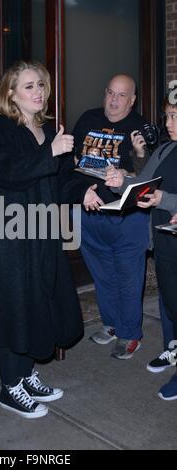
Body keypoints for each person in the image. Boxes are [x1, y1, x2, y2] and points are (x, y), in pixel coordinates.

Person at [0, 61, 87, 419]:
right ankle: (10, 386)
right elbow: (7, 173)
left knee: (36, 301)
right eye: (30, 86)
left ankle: (25, 374)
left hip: (39, 232)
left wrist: (88, 190)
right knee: (12, 305)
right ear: (10, 94)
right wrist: (50, 153)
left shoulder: (47, 131)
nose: (38, 92)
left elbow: (62, 180)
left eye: (41, 86)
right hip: (4, 235)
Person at [72, 74, 150, 360]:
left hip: (126, 217)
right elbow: (73, 162)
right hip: (90, 213)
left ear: (132, 100)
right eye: (110, 93)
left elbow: (148, 173)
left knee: (128, 276)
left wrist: (128, 174)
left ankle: (130, 333)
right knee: (103, 275)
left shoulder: (140, 127)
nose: (114, 100)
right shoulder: (87, 119)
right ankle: (113, 324)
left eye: (122, 95)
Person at [106, 95, 177, 399]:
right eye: (167, 116)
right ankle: (172, 348)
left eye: (175, 116)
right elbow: (144, 184)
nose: (168, 123)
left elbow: (162, 196)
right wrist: (119, 181)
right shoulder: (166, 149)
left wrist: (166, 200)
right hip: (164, 242)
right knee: (171, 303)